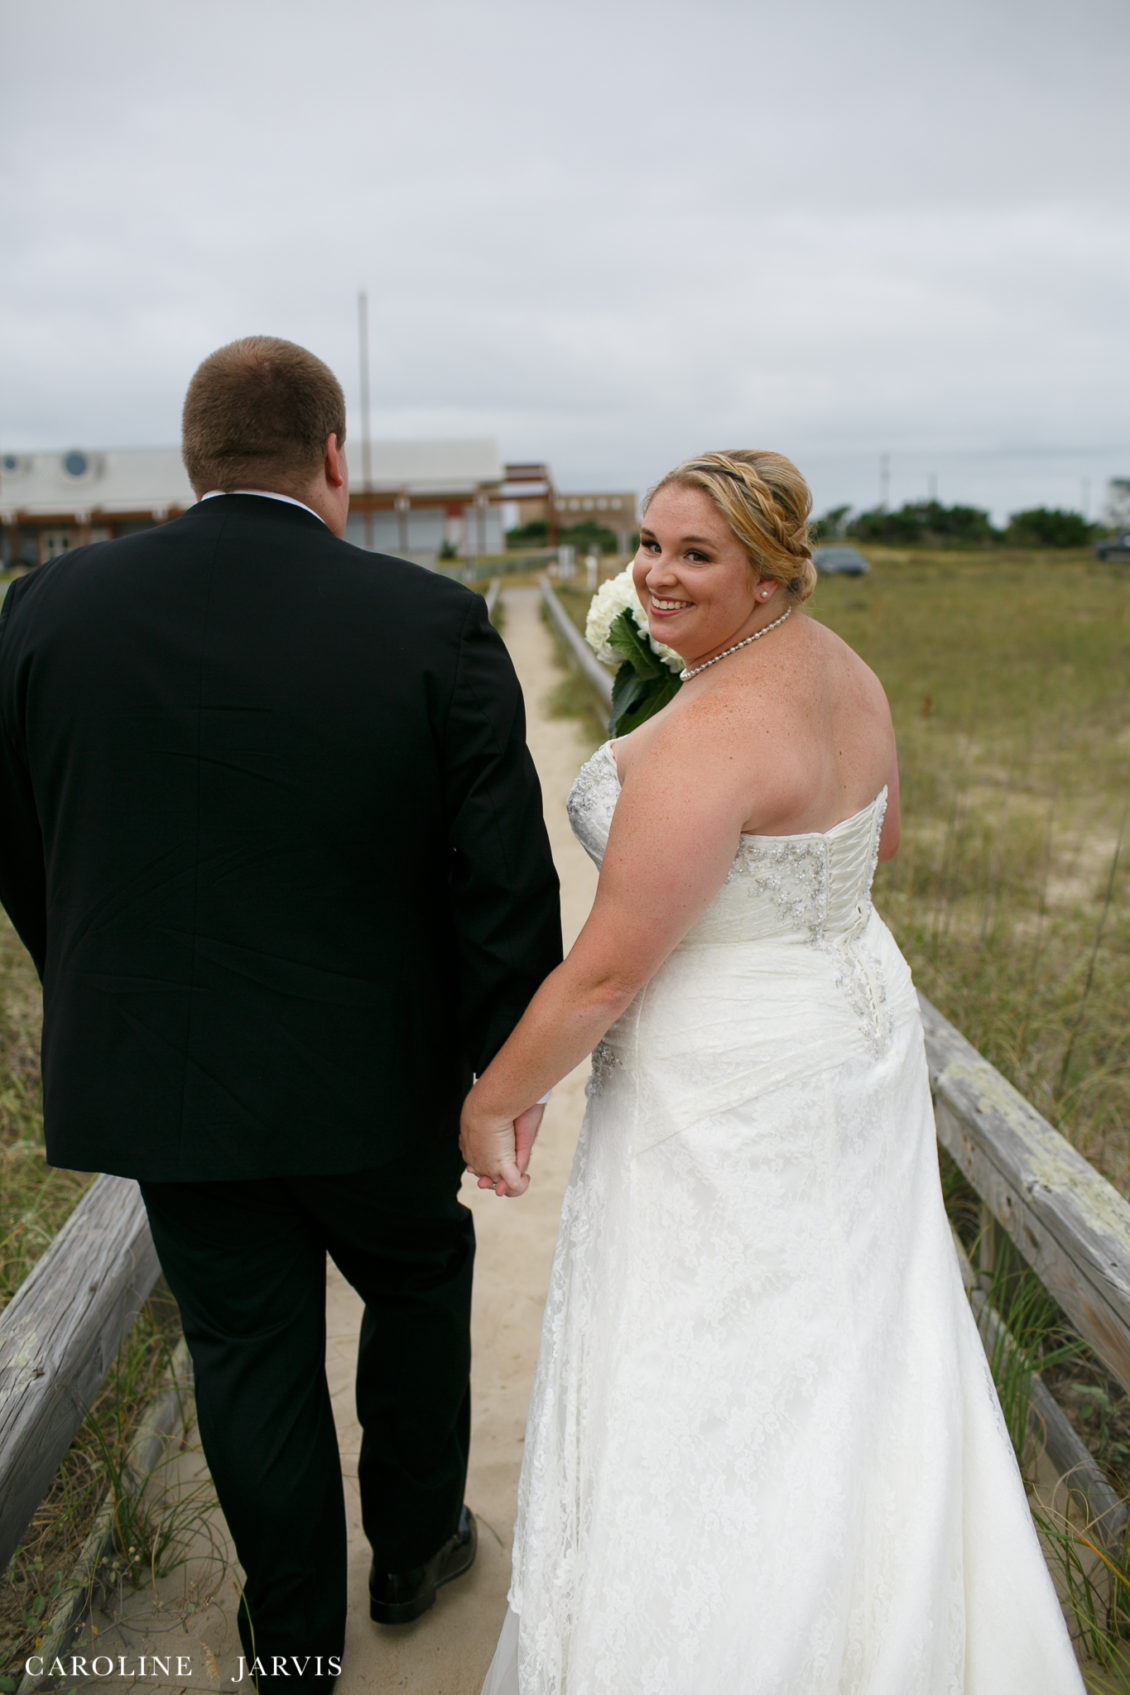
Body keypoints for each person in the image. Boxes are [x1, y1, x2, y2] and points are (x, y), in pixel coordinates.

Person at [461, 450, 1084, 1693]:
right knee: (858, 1328)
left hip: (731, 1075)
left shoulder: (707, 734)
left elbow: (601, 976)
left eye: (695, 554)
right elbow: (878, 837)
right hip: (849, 1027)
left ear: (766, 570)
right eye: (648, 544)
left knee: (715, 1358)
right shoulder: (843, 670)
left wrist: (491, 1097)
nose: (653, 573)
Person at [0, 337, 562, 1692]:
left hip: (167, 1075)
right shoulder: (426, 620)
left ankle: (295, 1639)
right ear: (332, 456)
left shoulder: (44, 609)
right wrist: (502, 1059)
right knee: (419, 1283)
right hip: (380, 1076)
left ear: (194, 459)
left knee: (244, 1345)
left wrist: (93, 977)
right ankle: (419, 1546)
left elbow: (25, 839)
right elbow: (499, 874)